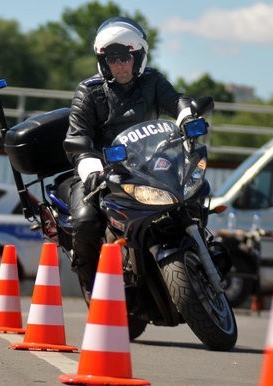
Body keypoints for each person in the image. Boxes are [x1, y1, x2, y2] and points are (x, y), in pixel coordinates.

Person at [63, 17, 195, 301]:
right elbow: (78, 140)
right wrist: (92, 171)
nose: (120, 65)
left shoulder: (153, 81)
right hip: (103, 173)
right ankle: (92, 285)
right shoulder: (89, 91)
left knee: (194, 190)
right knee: (85, 221)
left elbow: (177, 101)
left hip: (148, 167)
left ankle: (202, 245)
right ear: (103, 61)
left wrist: (187, 117)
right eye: (112, 59)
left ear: (138, 58)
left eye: (125, 57)